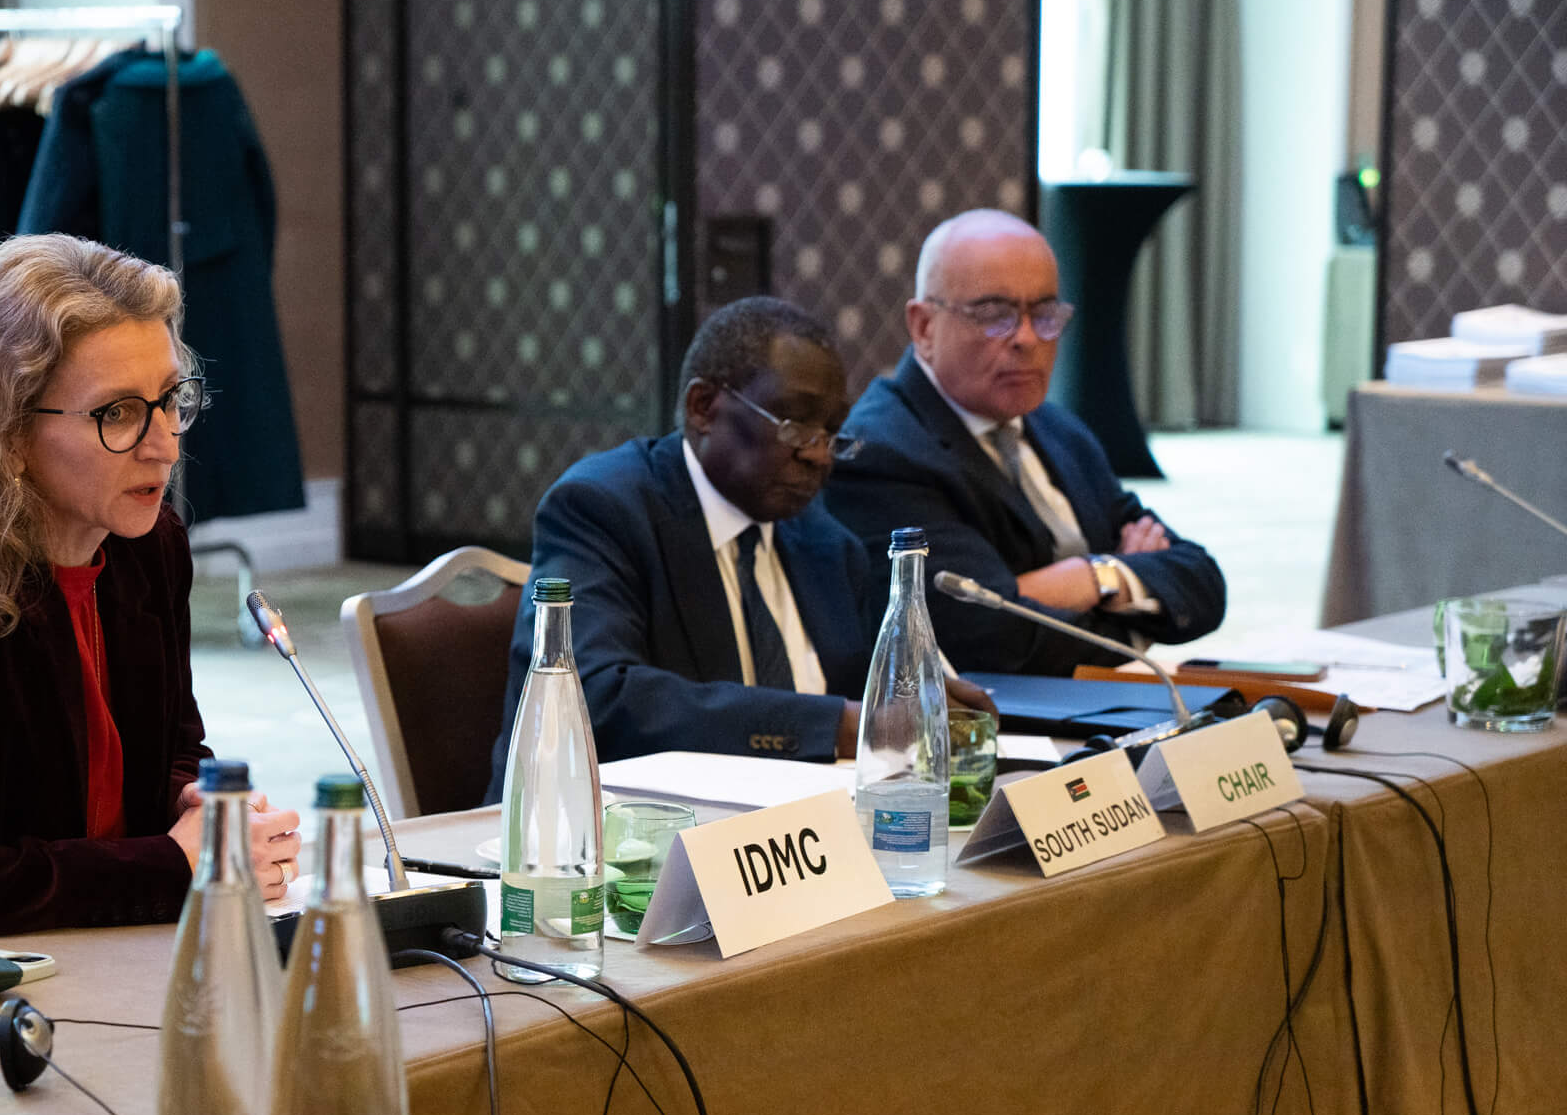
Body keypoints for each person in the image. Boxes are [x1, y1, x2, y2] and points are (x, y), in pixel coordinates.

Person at [0, 233, 299, 938]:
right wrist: (171, 865)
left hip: (114, 958)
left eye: (170, 399)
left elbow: (170, 746)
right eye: (118, 413)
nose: (164, 443)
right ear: (5, 433)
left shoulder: (148, 548)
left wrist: (203, 805)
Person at [486, 296, 991, 797]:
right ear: (704, 407)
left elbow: (869, 693)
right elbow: (590, 699)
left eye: (832, 433)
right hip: (604, 843)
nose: (818, 455)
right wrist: (838, 726)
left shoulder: (825, 543)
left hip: (801, 841)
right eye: (795, 427)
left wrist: (915, 695)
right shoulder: (602, 509)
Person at [825, 209, 1226, 675]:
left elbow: (1202, 583)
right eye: (995, 316)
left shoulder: (1057, 429)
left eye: (1045, 314)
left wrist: (1096, 576)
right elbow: (985, 634)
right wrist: (1127, 600)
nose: (1028, 339)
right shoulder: (880, 452)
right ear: (924, 327)